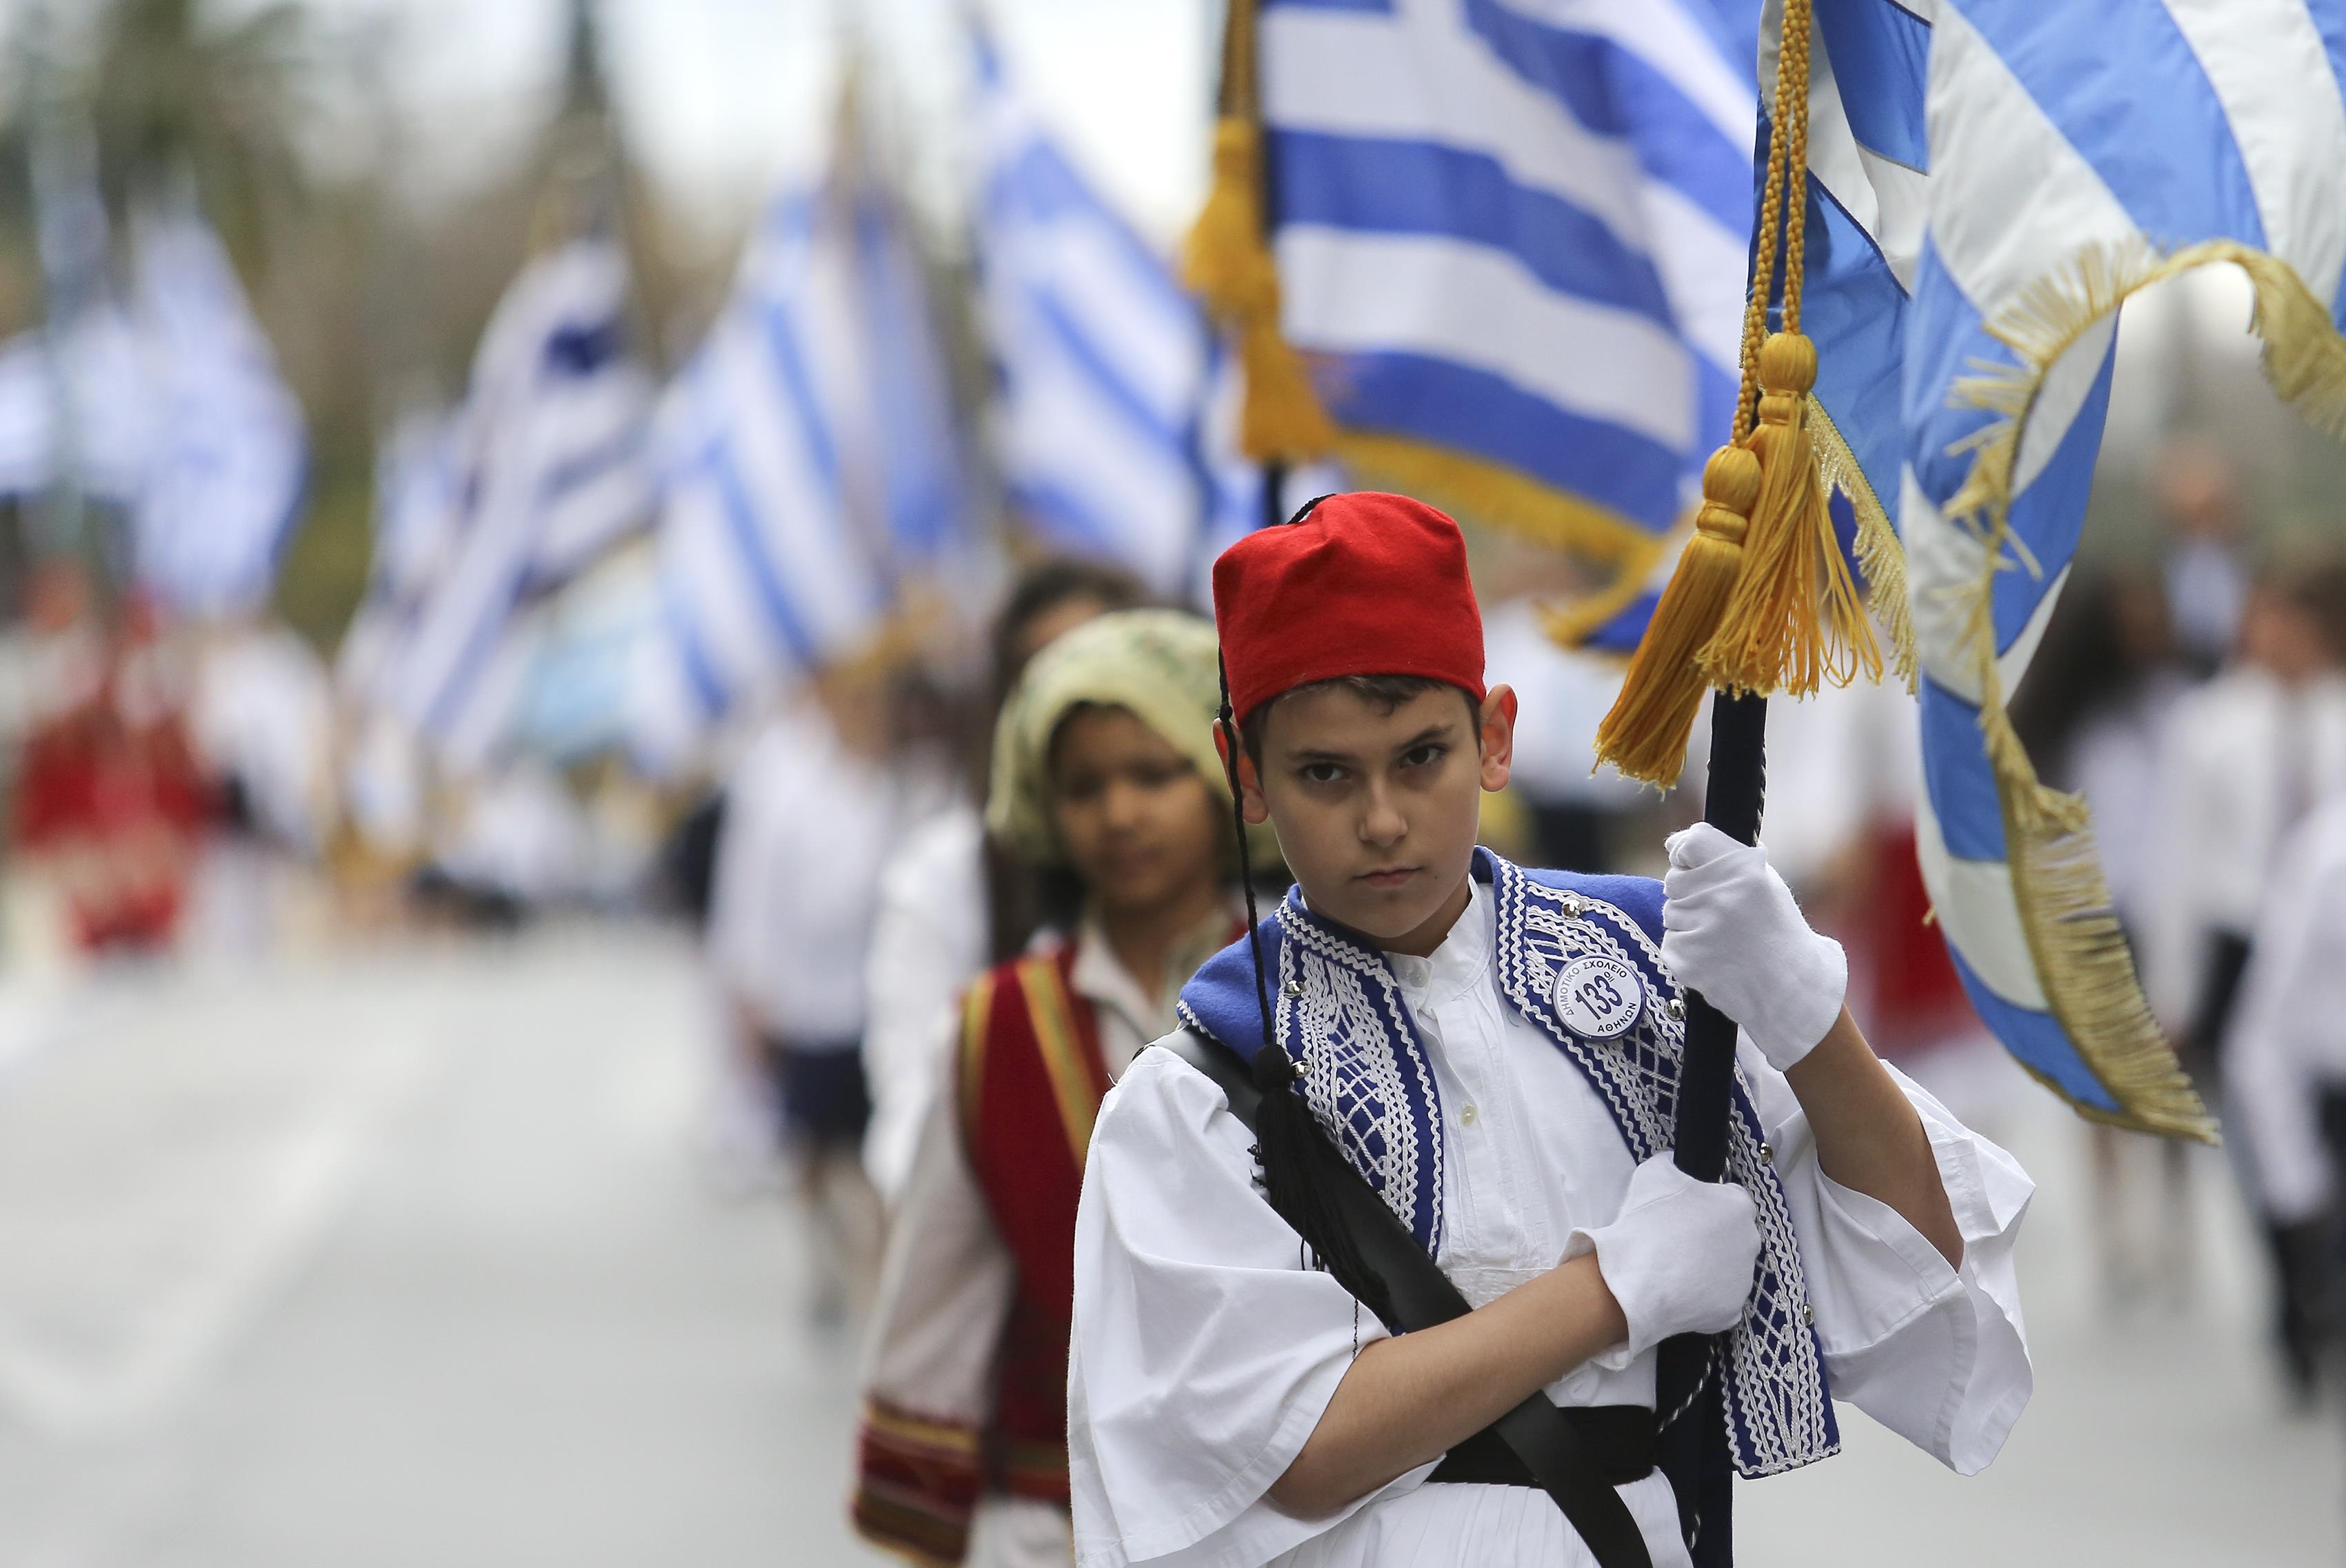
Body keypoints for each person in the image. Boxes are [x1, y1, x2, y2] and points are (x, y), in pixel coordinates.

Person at [1067, 493, 2035, 1568]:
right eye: (1324, 772)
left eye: (1419, 756)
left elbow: (1920, 1263)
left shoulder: (1654, 976)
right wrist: (1611, 1289)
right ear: (1245, 774)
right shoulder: (1196, 1086)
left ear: (1494, 736)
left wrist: (1810, 1024)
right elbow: (1291, 1444)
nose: (1381, 818)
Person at [853, 610, 1256, 1566]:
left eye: (1152, 775)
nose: (1120, 813)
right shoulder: (996, 1026)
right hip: (1050, 1516)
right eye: (1084, 786)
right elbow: (938, 1287)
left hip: (1277, 1509)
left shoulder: (1303, 989)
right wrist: (928, 1510)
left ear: (1220, 777)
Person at [861, 561, 1147, 1205]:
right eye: (1047, 678)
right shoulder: (945, 879)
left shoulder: (1234, 892)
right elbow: (906, 1129)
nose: (1122, 816)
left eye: (1107, 672)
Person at [707, 650, 908, 1323]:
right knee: (814, 1148)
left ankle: (873, 1270)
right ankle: (825, 1256)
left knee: (879, 1147)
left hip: (879, 997)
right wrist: (751, 987)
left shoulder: (905, 783)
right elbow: (753, 892)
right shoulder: (785, 783)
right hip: (807, 998)